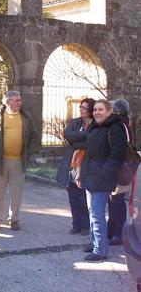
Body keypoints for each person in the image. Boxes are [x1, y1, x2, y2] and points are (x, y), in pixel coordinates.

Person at [0, 90, 40, 232]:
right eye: (16, 100)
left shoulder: (26, 117)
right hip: (0, 161)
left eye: (20, 100)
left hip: (19, 161)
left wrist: (27, 153)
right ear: (7, 102)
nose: (20, 102)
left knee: (16, 193)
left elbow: (35, 137)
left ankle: (14, 219)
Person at [79, 99, 126, 261]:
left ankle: (100, 250)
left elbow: (116, 155)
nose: (97, 112)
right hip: (90, 177)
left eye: (101, 109)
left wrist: (103, 173)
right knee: (93, 213)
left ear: (109, 112)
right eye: (95, 110)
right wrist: (81, 174)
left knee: (97, 214)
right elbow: (88, 154)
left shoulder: (115, 128)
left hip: (102, 179)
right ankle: (95, 243)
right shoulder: (94, 127)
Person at [56, 98, 95, 236]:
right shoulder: (75, 122)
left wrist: (78, 140)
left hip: (87, 164)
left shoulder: (96, 124)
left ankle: (86, 225)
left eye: (85, 108)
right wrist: (84, 137)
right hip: (73, 164)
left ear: (90, 109)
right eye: (81, 107)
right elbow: (68, 134)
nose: (82, 110)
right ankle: (76, 224)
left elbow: (93, 141)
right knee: (73, 194)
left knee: (84, 195)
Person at [107, 98, 131, 246]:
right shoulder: (122, 123)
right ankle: (112, 231)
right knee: (114, 201)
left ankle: (118, 233)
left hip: (120, 169)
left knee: (117, 202)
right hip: (119, 168)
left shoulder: (120, 125)